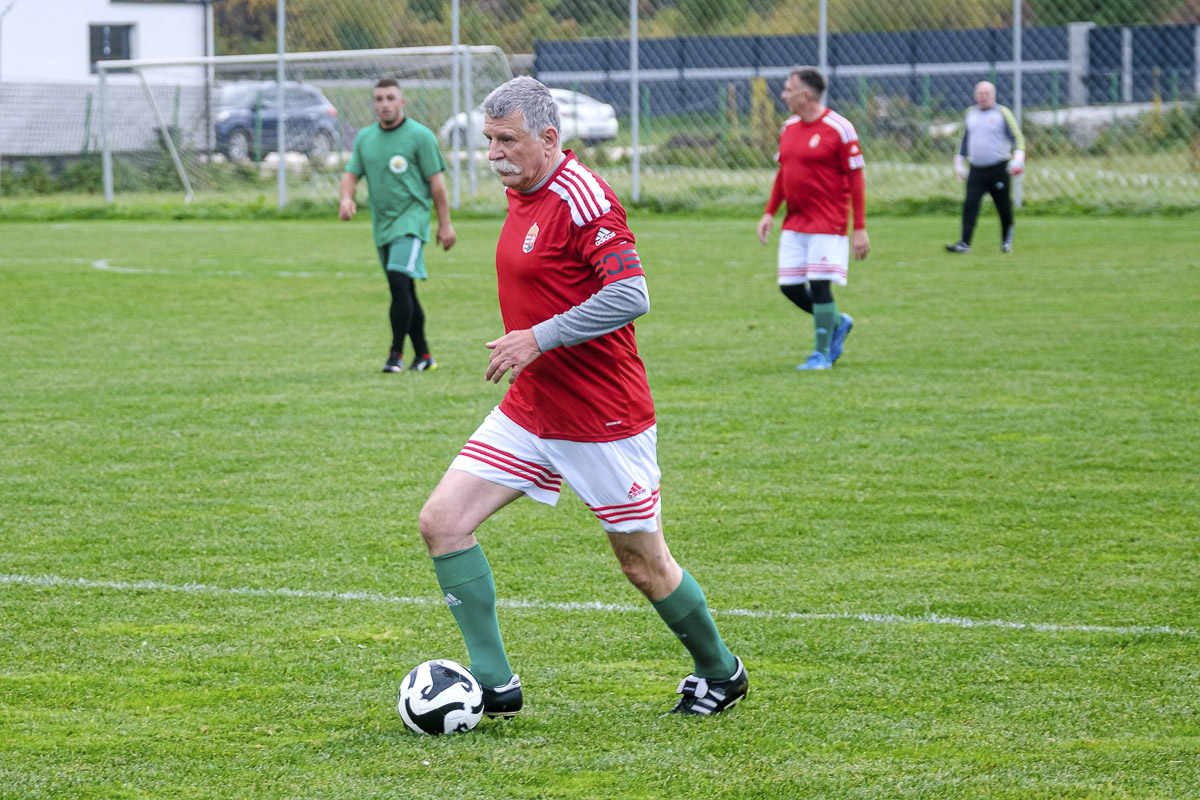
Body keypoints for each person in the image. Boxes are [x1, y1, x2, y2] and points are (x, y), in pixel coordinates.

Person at [417, 76, 748, 719]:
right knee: (443, 523)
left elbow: (631, 295)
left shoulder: (584, 198)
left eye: (507, 140)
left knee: (644, 565)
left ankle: (720, 671)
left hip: (602, 417)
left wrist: (538, 337)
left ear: (549, 137)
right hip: (532, 409)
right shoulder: (523, 191)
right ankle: (495, 684)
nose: (494, 154)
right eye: (489, 140)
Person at [757, 66, 869, 372]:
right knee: (790, 287)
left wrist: (859, 228)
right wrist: (769, 212)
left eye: (788, 89)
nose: (783, 95)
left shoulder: (839, 128)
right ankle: (838, 321)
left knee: (820, 285)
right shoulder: (788, 128)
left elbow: (856, 179)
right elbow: (784, 173)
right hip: (795, 222)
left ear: (805, 95)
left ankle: (821, 355)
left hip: (828, 222)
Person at [339, 78, 456, 373]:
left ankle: (396, 355)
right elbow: (351, 175)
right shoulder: (365, 138)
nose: (385, 104)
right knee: (405, 289)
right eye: (379, 99)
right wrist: (346, 199)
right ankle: (424, 355)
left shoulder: (420, 136)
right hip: (383, 226)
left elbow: (437, 184)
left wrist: (445, 224)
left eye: (391, 98)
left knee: (397, 281)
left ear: (402, 101)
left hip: (412, 221)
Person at [945, 80, 1026, 255]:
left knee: (1003, 206)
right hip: (976, 169)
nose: (983, 97)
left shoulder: (1002, 113)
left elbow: (1017, 137)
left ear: (993, 95)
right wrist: (959, 163)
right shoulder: (970, 114)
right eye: (980, 94)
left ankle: (1006, 242)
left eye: (986, 94)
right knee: (970, 204)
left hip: (998, 168)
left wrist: (1018, 158)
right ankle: (964, 243)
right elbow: (963, 141)